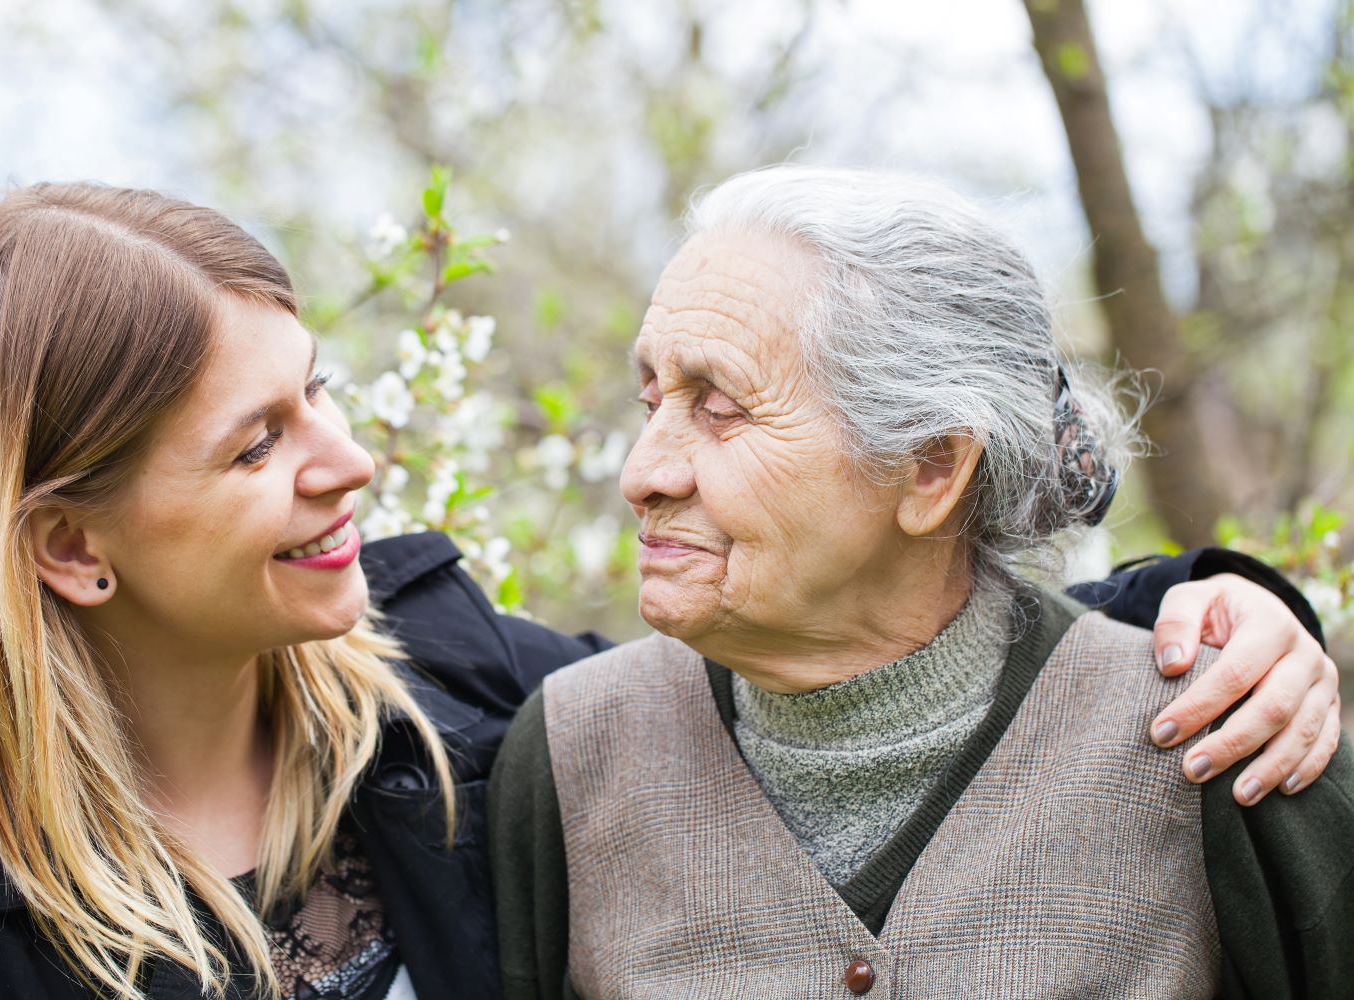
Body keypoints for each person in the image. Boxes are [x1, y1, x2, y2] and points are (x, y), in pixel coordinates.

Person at [0, 181, 1337, 1000]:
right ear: (69, 548)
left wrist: (1221, 607)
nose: (352, 462)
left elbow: (899, 649)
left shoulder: (451, 688)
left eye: (319, 396)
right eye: (258, 445)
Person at [488, 167, 1354, 1000]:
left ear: (932, 468)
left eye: (720, 409)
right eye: (652, 404)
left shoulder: (1228, 735)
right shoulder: (569, 755)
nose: (644, 472)